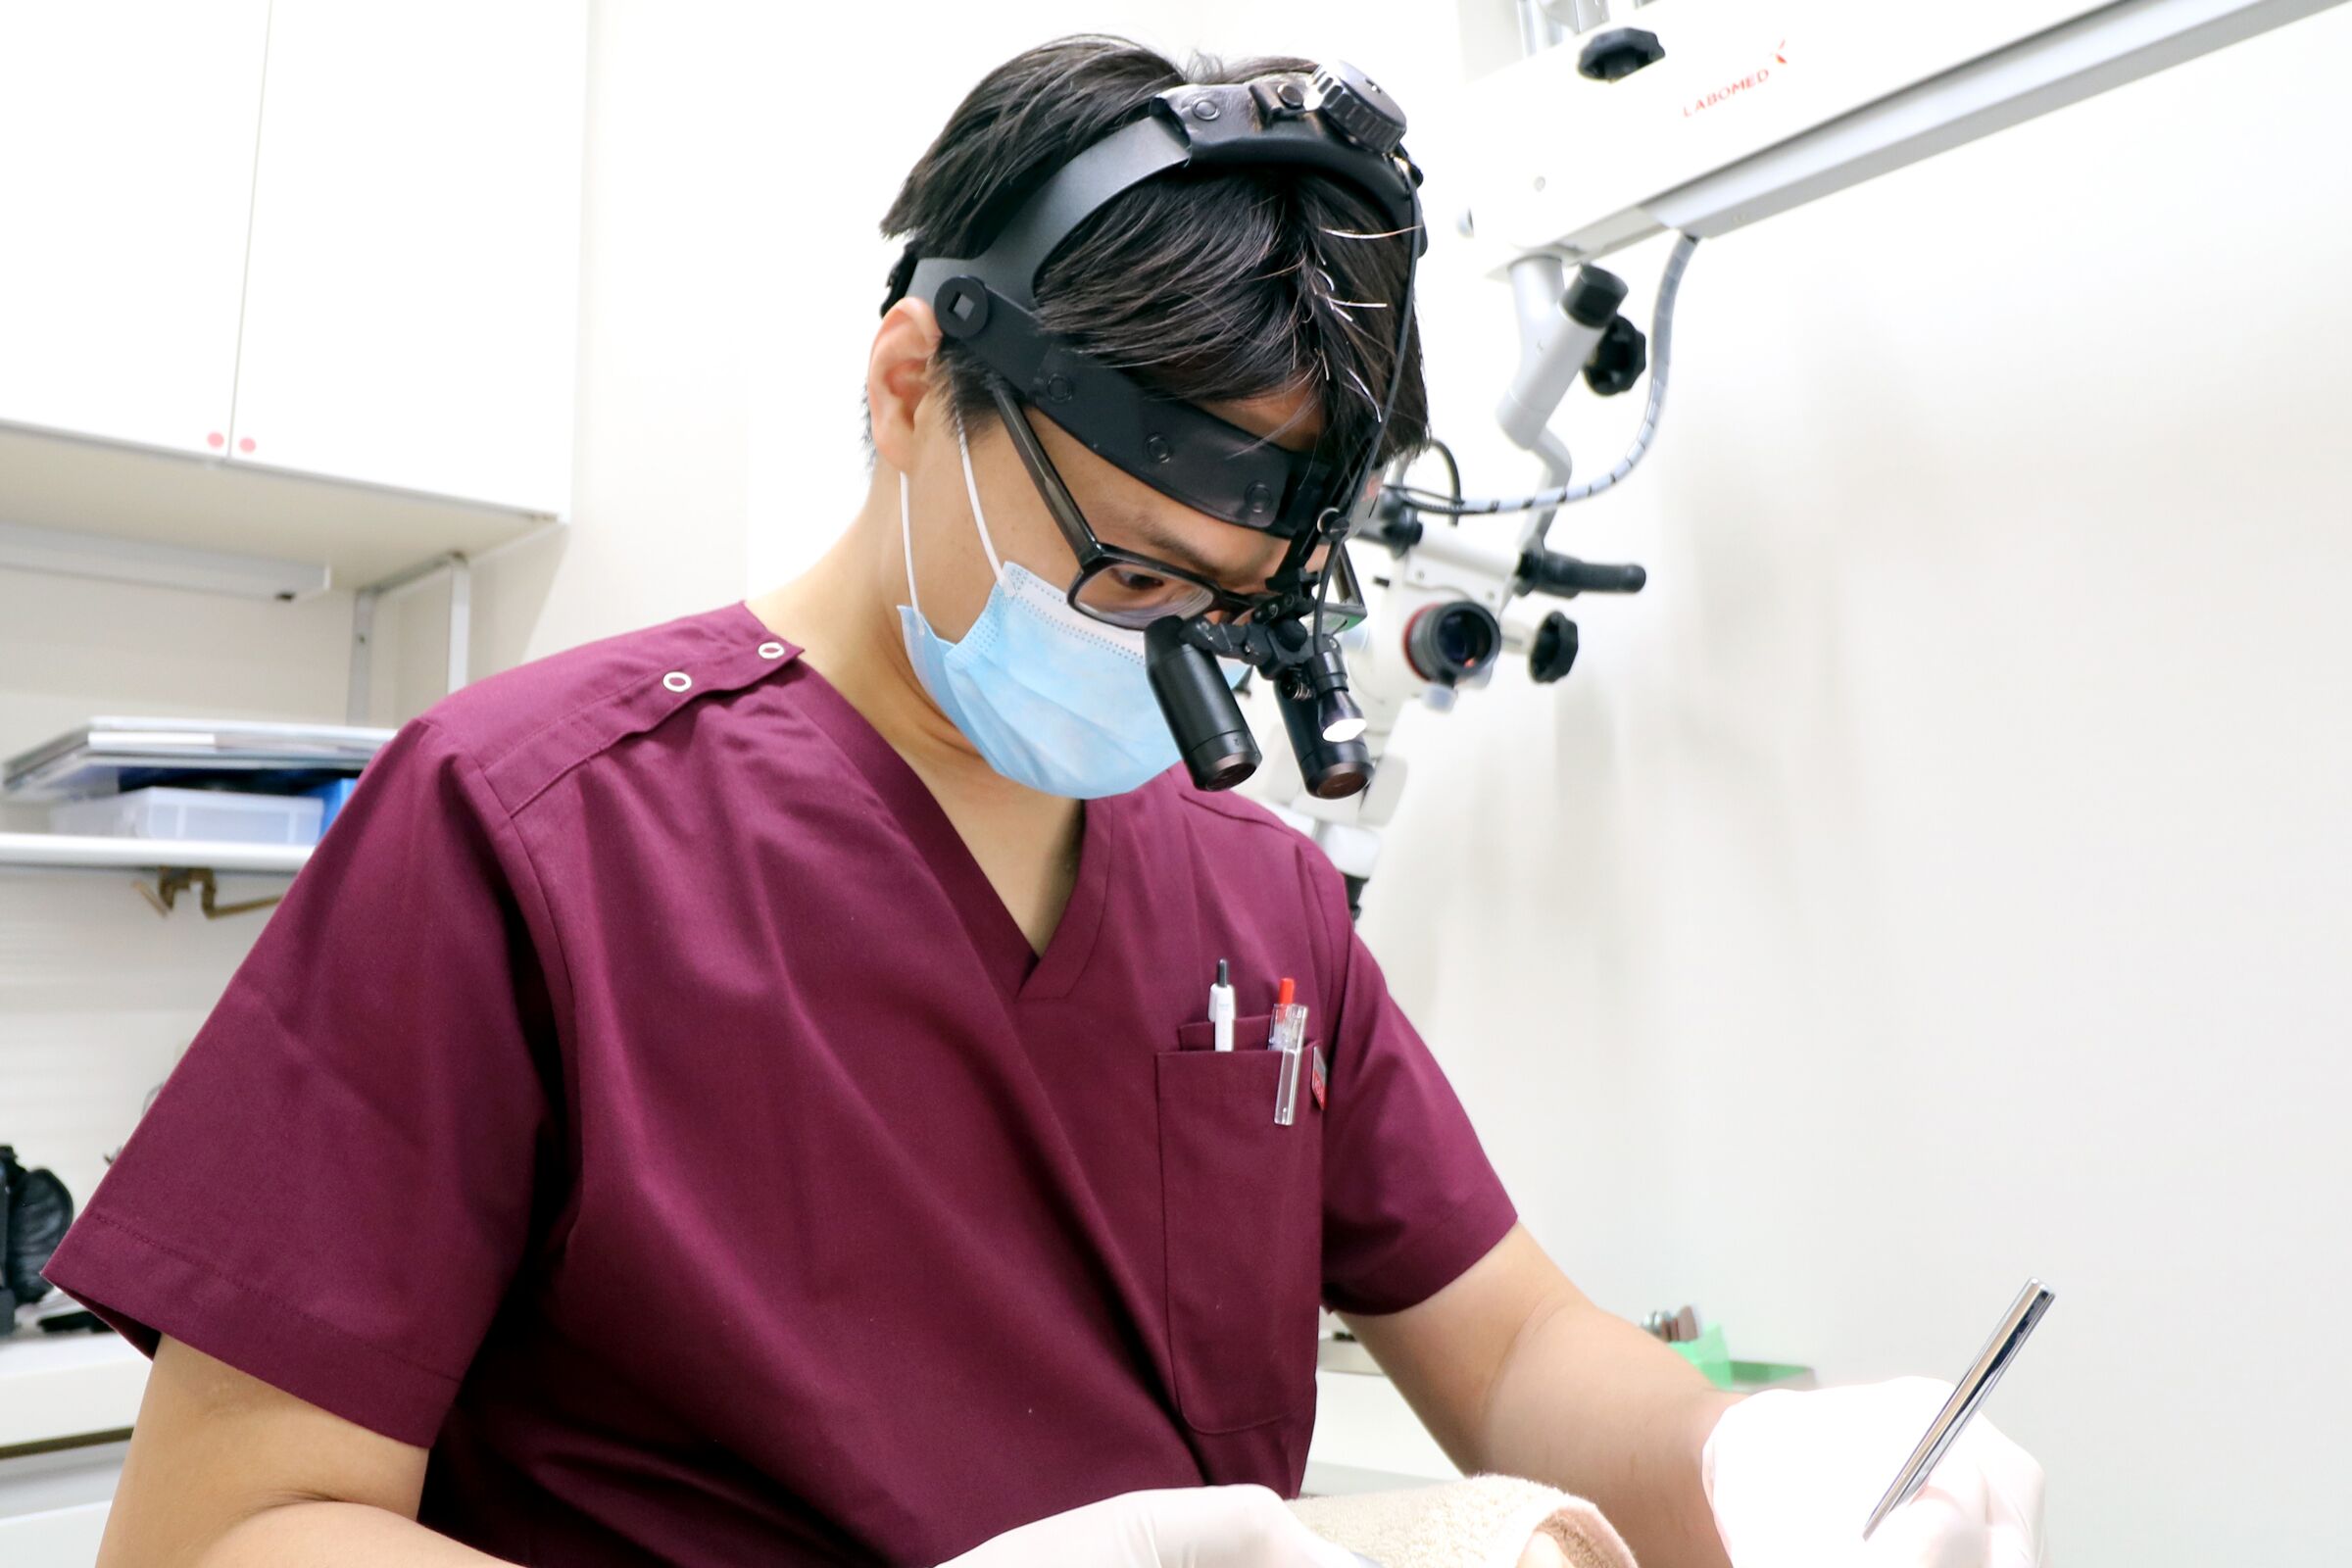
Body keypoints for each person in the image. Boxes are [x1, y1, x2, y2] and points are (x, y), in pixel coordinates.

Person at [43, 36, 2046, 1568]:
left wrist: (1751, 1465)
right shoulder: (527, 822)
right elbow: (234, 1522)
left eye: (1239, 611)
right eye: (1133, 576)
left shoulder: (1256, 905)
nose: (1174, 659)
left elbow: (1512, 1350)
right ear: (914, 379)